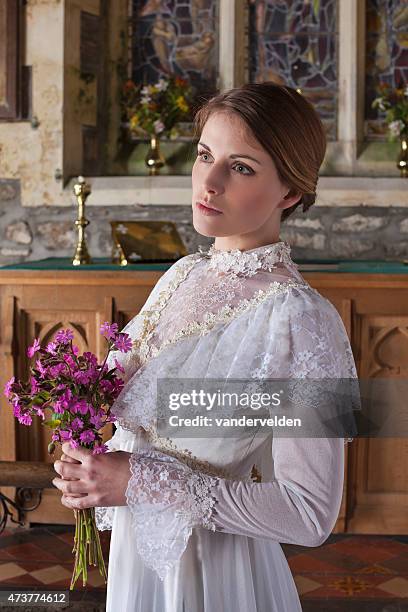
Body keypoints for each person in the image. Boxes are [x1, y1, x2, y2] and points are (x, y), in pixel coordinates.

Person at [52, 82, 357, 612]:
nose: (209, 182)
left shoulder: (304, 322)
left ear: (288, 192)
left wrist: (140, 480)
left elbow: (309, 515)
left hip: (218, 577)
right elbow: (131, 418)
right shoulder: (182, 274)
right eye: (204, 155)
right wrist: (90, 461)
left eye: (240, 167)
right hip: (138, 563)